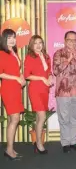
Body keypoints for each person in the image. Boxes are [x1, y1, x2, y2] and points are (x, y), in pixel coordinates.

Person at [53, 31, 76, 153]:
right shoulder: (58, 53)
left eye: (74, 40)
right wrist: (68, 59)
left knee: (74, 117)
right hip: (62, 92)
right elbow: (56, 71)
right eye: (69, 40)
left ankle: (73, 141)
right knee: (64, 118)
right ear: (64, 40)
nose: (72, 42)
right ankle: (65, 143)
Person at [24, 35, 53, 154]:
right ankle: (39, 143)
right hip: (35, 89)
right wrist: (42, 78)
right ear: (31, 45)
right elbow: (27, 75)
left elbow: (49, 71)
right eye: (35, 43)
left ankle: (37, 142)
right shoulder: (29, 57)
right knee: (42, 116)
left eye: (40, 42)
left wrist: (50, 77)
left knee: (39, 116)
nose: (38, 45)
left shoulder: (46, 56)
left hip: (45, 90)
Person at [0, 29, 25, 160]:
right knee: (15, 119)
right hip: (8, 88)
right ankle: (9, 150)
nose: (12, 40)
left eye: (14, 37)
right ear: (4, 39)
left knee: (12, 119)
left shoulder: (14, 52)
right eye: (9, 37)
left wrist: (21, 76)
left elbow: (16, 69)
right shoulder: (2, 53)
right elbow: (0, 73)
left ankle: (9, 148)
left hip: (15, 88)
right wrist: (16, 78)